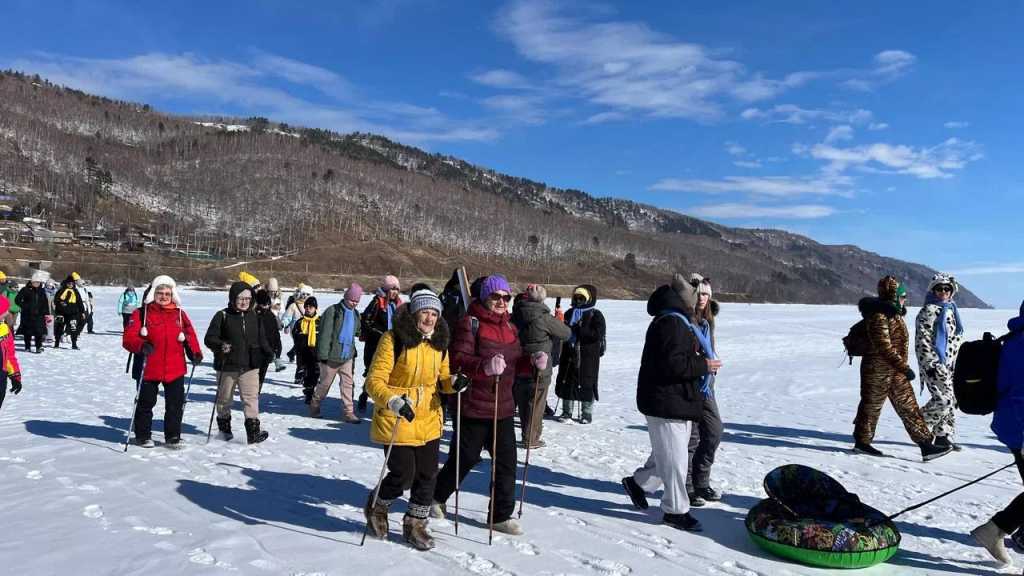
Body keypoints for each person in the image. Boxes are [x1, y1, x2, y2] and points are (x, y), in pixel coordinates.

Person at [431, 274, 547, 536]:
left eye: (506, 297)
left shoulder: (510, 327)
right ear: (484, 297)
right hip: (473, 405)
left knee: (507, 461)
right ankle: (436, 496)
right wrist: (483, 366)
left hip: (503, 406)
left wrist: (534, 363)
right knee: (465, 457)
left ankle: (499, 515)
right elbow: (457, 360)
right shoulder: (469, 323)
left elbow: (516, 363)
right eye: (496, 296)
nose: (502, 301)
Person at [363, 288, 464, 550]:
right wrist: (394, 401)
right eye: (425, 313)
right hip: (397, 416)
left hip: (429, 416)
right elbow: (373, 381)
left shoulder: (439, 343)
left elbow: (441, 381)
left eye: (434, 314)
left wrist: (454, 383)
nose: (429, 319)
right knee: (403, 474)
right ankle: (377, 506)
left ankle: (415, 525)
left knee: (428, 474)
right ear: (414, 314)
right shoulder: (393, 339)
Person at [621, 278, 720, 532]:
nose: (697, 300)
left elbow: (674, 359)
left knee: (667, 453)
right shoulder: (672, 323)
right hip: (665, 401)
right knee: (675, 459)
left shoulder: (677, 321)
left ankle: (638, 483)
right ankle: (675, 511)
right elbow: (671, 365)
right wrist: (703, 365)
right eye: (693, 296)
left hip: (674, 399)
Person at [852, 276, 952, 461]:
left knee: (909, 406)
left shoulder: (895, 314)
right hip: (877, 371)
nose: (905, 298)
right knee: (871, 407)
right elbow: (884, 346)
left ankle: (926, 445)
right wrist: (904, 367)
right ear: (892, 295)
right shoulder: (879, 316)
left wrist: (900, 368)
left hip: (895, 372)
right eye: (902, 295)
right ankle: (862, 442)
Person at [971, 300, 1024, 566]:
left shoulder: (1016, 339)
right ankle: (994, 530)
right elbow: (1020, 395)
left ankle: (998, 530)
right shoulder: (1022, 344)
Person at [122, 275, 203, 447]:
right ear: (153, 293)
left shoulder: (179, 314)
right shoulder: (140, 313)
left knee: (175, 404)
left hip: (174, 368)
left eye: (167, 293)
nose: (164, 297)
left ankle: (173, 436)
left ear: (173, 295)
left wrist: (195, 352)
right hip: (149, 367)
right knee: (145, 403)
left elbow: (189, 334)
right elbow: (128, 338)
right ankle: (143, 435)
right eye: (160, 293)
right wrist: (141, 345)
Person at [205, 281, 274, 444]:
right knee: (224, 399)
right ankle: (224, 430)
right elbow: (209, 338)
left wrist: (269, 352)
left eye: (248, 298)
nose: (244, 302)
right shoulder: (222, 315)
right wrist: (220, 345)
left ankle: (253, 433)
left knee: (251, 398)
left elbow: (262, 338)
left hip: (250, 364)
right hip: (227, 365)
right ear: (232, 298)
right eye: (240, 298)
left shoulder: (255, 317)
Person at [512, 283, 570, 448]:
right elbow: (566, 334)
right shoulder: (544, 317)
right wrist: (559, 320)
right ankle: (531, 438)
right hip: (539, 365)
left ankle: (526, 435)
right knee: (537, 403)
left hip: (519, 362)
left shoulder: (515, 313)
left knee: (523, 401)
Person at [685, 274, 724, 507]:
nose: (703, 298)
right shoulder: (686, 320)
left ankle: (701, 481)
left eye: (707, 294)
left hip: (706, 384)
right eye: (699, 293)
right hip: (689, 383)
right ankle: (688, 487)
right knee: (693, 437)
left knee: (714, 431)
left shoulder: (708, 322)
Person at [915, 273, 965, 450]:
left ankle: (943, 435)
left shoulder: (951, 309)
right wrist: (930, 364)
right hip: (934, 364)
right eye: (939, 288)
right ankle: (917, 427)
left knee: (951, 398)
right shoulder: (928, 311)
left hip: (949, 364)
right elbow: (923, 341)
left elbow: (954, 340)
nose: (943, 292)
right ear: (933, 290)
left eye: (947, 288)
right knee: (944, 400)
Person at [312, 283, 363, 422]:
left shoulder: (356, 314)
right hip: (331, 357)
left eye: (357, 301)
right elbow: (325, 334)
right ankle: (315, 404)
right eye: (352, 300)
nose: (354, 303)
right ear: (346, 297)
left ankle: (348, 412)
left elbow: (357, 331)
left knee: (348, 385)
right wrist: (323, 356)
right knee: (324, 385)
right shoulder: (332, 311)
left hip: (347, 356)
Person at [555, 284, 606, 423]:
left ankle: (586, 413)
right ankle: (566, 412)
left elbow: (597, 334)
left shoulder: (596, 315)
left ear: (588, 299)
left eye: (581, 298)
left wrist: (579, 329)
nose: (578, 300)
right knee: (567, 381)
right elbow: (562, 331)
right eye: (576, 297)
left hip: (587, 356)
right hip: (569, 354)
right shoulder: (569, 313)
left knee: (587, 382)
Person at [358, 275, 404, 413]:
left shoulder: (398, 304)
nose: (395, 292)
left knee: (389, 373)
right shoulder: (377, 302)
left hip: (392, 345)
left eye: (397, 289)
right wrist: (381, 334)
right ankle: (364, 395)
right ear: (386, 289)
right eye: (392, 289)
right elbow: (366, 321)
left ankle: (384, 402)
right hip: (375, 344)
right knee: (372, 373)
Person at [292, 297, 321, 404]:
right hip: (303, 353)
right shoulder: (300, 322)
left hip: (316, 353)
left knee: (316, 375)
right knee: (307, 375)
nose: (308, 309)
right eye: (306, 307)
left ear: (315, 308)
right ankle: (309, 394)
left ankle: (313, 392)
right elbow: (295, 338)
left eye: (311, 307)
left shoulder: (320, 321)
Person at [254, 289, 283, 391]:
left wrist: (278, 349)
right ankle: (252, 397)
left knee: (261, 376)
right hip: (255, 351)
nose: (265, 306)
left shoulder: (271, 315)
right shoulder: (253, 316)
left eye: (267, 304)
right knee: (254, 377)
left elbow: (276, 334)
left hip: (268, 351)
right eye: (263, 304)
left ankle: (255, 396)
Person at [16, 271, 50, 353]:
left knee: (39, 332)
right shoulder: (25, 289)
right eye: (35, 282)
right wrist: (24, 306)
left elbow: (45, 301)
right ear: (31, 282)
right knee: (28, 332)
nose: (37, 283)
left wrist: (46, 312)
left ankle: (38, 347)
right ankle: (27, 347)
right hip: (27, 315)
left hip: (39, 315)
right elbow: (17, 300)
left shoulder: (42, 290)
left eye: (38, 282)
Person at [0, 296, 23, 412]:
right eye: (5, 311)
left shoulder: (5, 330)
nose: (7, 314)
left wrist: (15, 376)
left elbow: (9, 355)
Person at [54, 272, 86, 349]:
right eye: (69, 283)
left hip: (73, 313)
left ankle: (74, 344)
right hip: (61, 312)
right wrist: (61, 303)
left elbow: (79, 302)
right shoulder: (61, 290)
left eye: (72, 284)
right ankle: (57, 343)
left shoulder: (75, 291)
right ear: (66, 283)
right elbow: (56, 300)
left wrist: (82, 312)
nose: (70, 285)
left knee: (73, 328)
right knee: (59, 327)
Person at [283, 283, 314, 363]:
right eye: (303, 294)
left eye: (308, 294)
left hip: (308, 328)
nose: (305, 296)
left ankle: (292, 354)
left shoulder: (312, 305)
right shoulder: (294, 305)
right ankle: (299, 360)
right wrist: (284, 324)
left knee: (303, 343)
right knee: (300, 343)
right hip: (295, 329)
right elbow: (287, 316)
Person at [266, 277, 287, 372]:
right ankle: (270, 358)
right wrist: (270, 307)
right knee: (268, 343)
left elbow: (282, 311)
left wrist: (277, 307)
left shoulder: (279, 299)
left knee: (278, 343)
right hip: (265, 323)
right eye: (271, 291)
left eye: (274, 291)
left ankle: (277, 361)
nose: (273, 293)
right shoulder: (264, 297)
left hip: (275, 322)